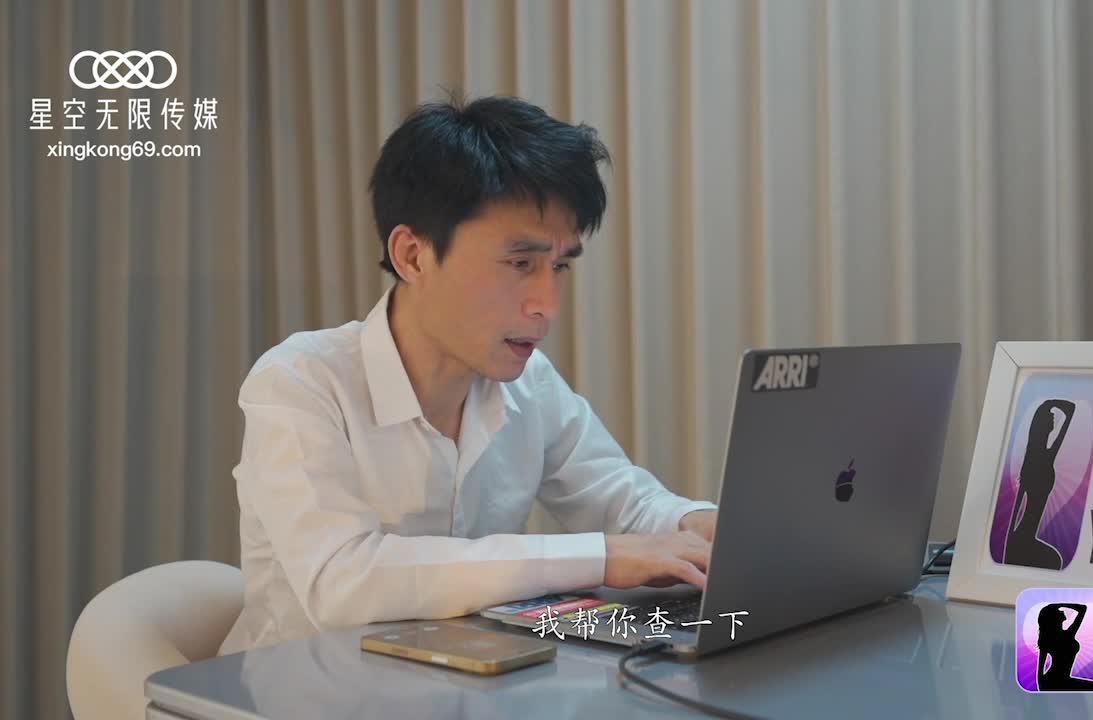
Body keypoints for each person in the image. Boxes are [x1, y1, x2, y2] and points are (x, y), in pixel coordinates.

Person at [218, 95, 718, 655]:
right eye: (520, 264)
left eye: (560, 266)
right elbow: (342, 581)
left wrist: (702, 525)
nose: (548, 305)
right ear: (412, 255)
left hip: (461, 683)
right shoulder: (300, 381)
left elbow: (626, 505)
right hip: (296, 688)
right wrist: (601, 557)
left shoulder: (530, 382)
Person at [1003, 399, 1075, 570]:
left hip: (1027, 537)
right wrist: (1009, 544)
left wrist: (1050, 403)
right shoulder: (1034, 459)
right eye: (1050, 418)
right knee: (1054, 561)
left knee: (1055, 561)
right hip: (1021, 538)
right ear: (1041, 424)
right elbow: (1018, 508)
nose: (1053, 421)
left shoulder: (1048, 455)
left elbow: (1070, 410)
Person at [1035, 603, 1093, 691]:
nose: (1062, 610)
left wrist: (1058, 605)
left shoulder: (1068, 634)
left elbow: (1083, 608)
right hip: (1052, 681)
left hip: (1063, 679)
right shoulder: (1049, 640)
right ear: (1053, 618)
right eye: (1058, 611)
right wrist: (1041, 688)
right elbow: (1040, 668)